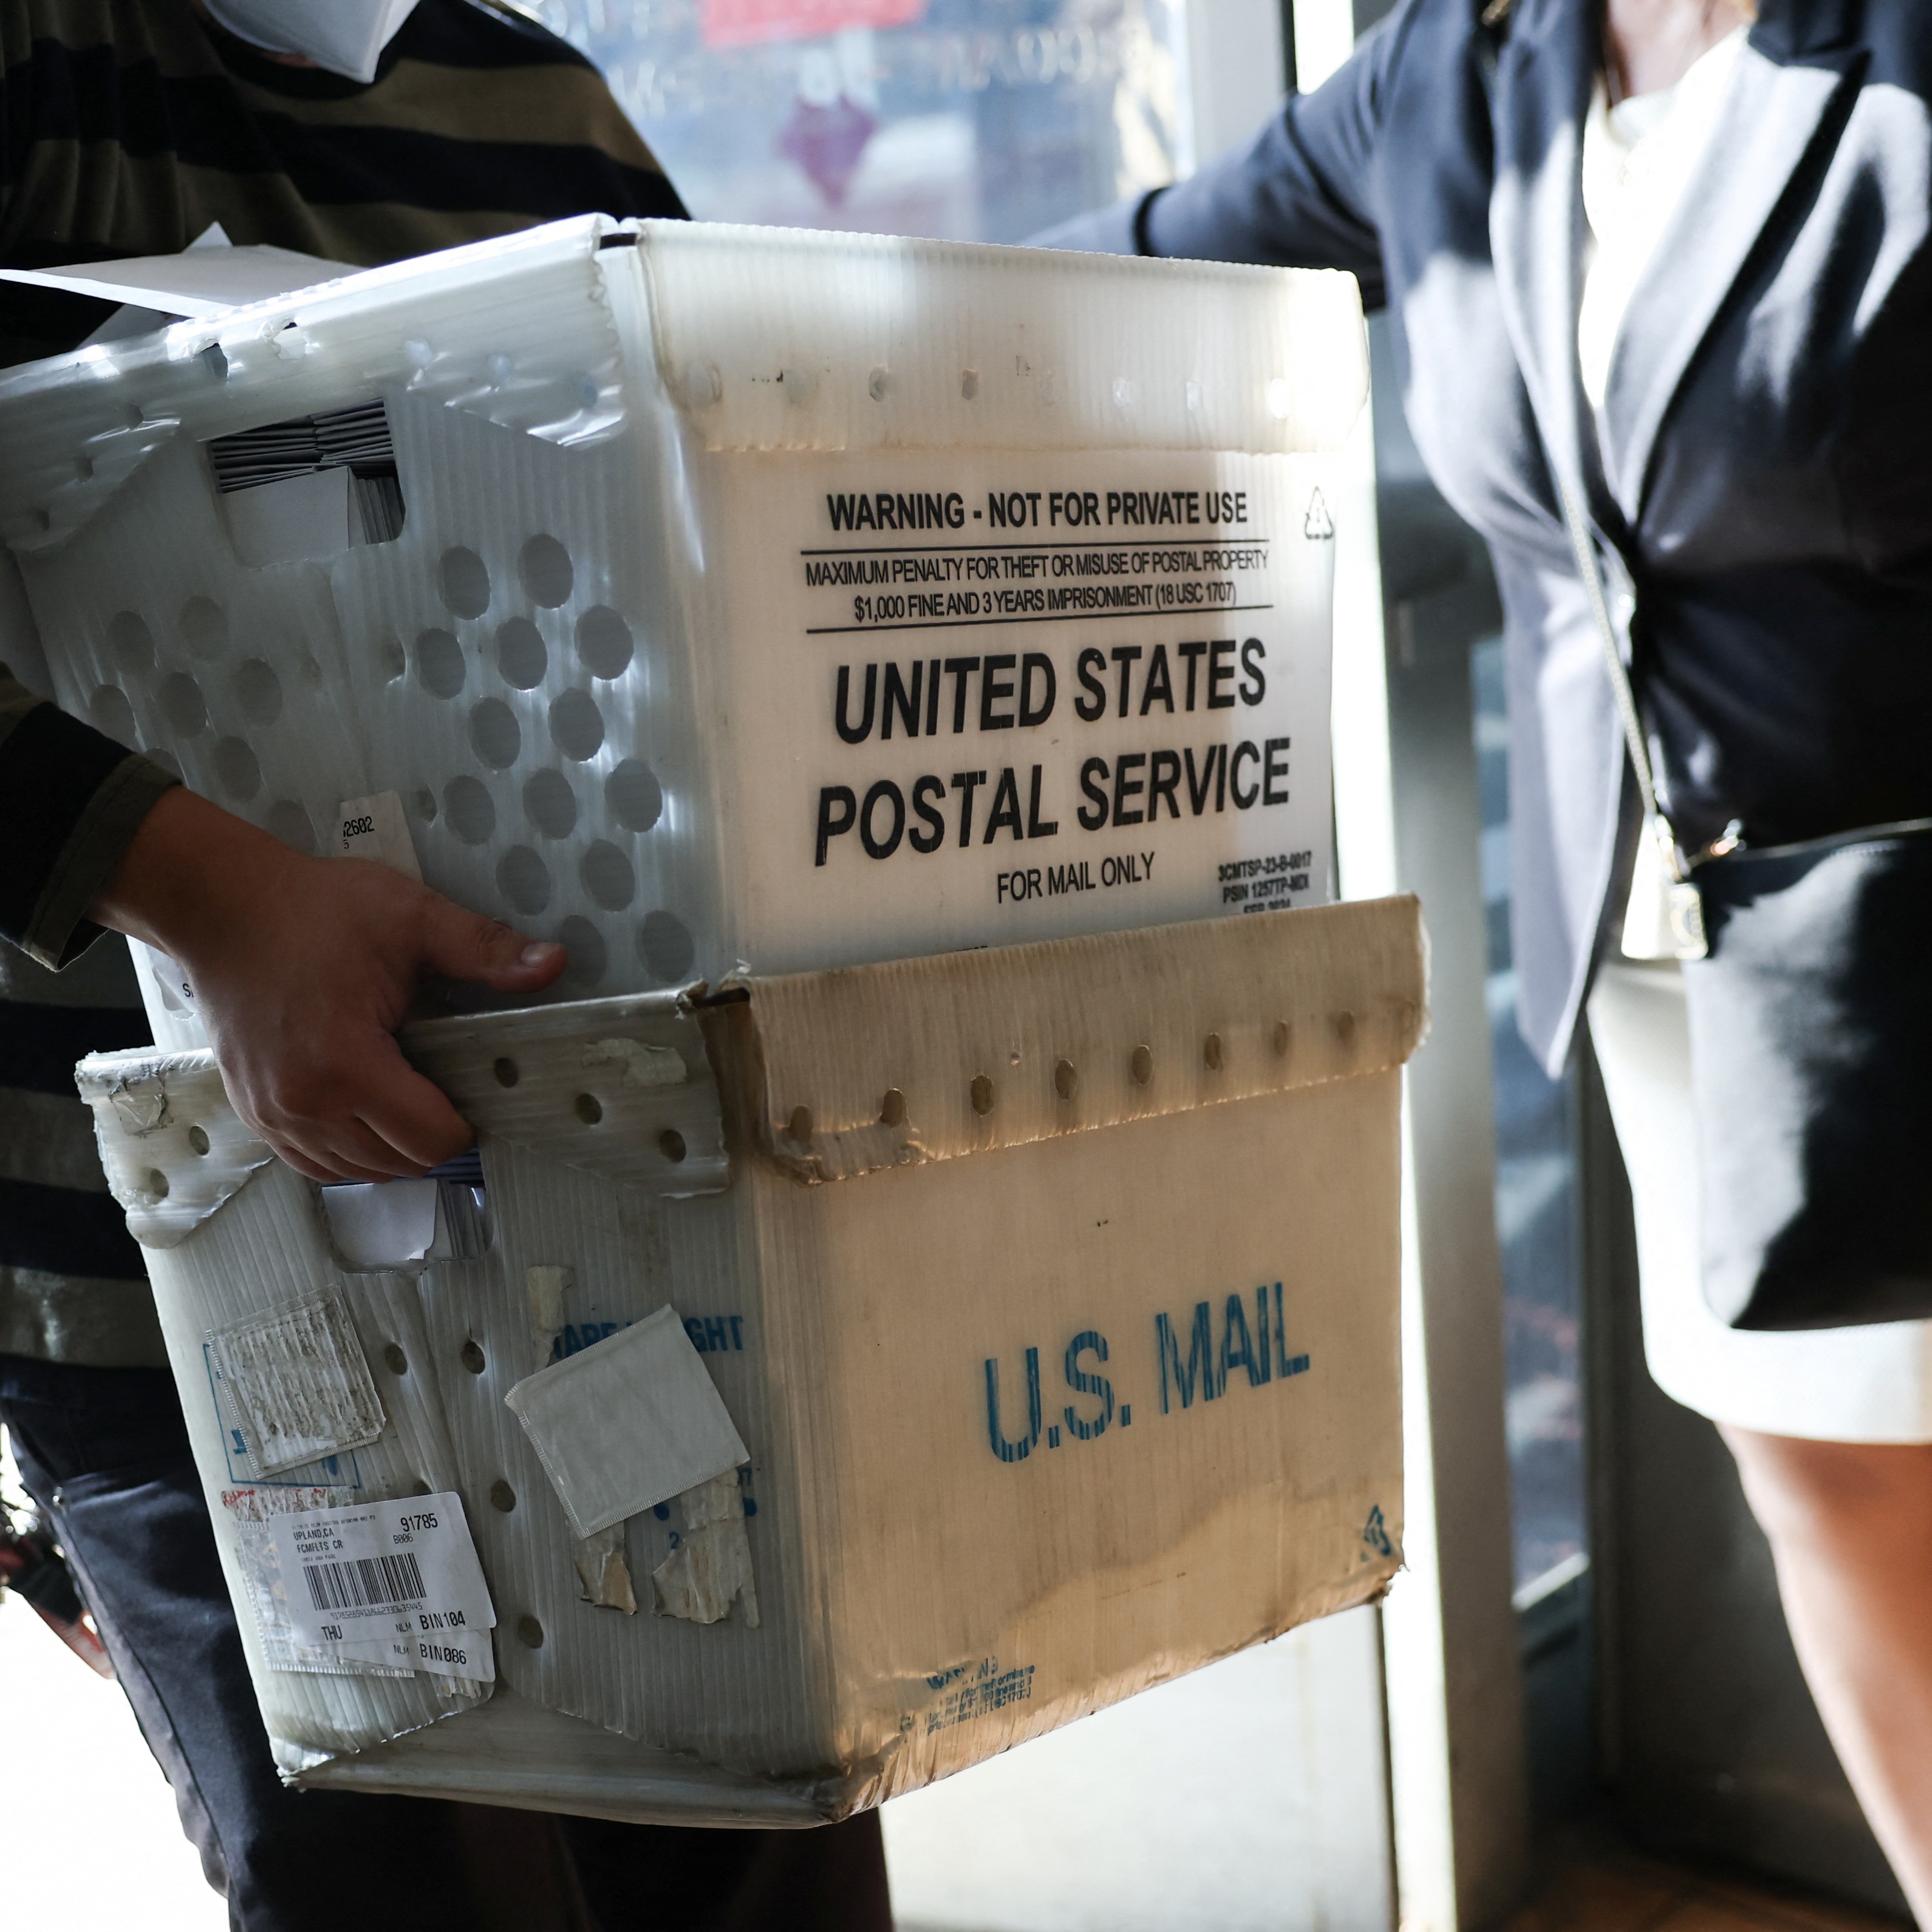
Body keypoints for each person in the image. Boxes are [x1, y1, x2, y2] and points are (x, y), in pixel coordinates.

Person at [0, 5, 893, 1928]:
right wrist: (209, 895)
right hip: (184, 1273)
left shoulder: (527, 100)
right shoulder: (57, 66)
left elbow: (721, 538)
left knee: (746, 1832)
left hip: (633, 1222)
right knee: (370, 1874)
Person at [1038, 0, 1932, 1917]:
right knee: (1831, 1494)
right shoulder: (1461, 75)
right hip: (1690, 965)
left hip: (1922, 915)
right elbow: (1143, 269)